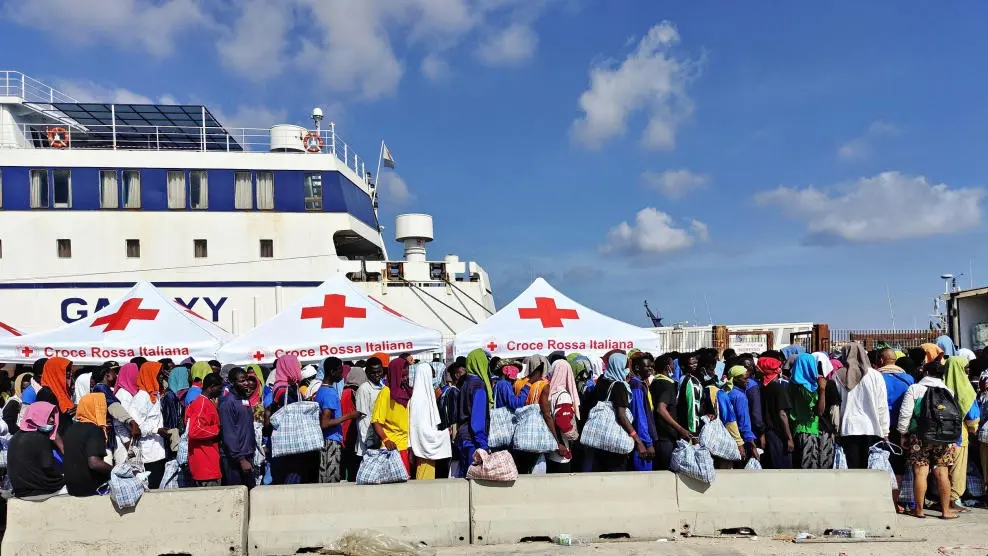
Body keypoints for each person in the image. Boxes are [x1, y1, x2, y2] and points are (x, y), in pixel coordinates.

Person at [897, 360, 958, 519]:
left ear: (925, 372)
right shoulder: (948, 391)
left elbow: (905, 414)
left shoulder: (915, 389)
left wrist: (903, 434)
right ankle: (946, 511)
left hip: (919, 436)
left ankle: (919, 510)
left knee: (920, 473)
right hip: (943, 437)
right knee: (942, 472)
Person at [835, 344, 890, 469]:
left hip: (848, 428)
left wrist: (836, 429)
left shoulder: (838, 376)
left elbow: (836, 406)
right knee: (869, 467)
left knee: (852, 468)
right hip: (871, 427)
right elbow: (882, 405)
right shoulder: (875, 376)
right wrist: (885, 430)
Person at [876, 348, 914, 509]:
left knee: (880, 462)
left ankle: (882, 501)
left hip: (880, 427)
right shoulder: (909, 379)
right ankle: (894, 502)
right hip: (901, 428)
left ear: (881, 361)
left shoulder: (876, 377)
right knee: (898, 465)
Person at [595, 353, 645, 472]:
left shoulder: (601, 381)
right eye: (625, 367)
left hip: (600, 438)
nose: (628, 370)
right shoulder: (619, 386)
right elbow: (621, 415)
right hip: (615, 440)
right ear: (619, 367)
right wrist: (638, 440)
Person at [944, 355, 979, 514]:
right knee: (957, 469)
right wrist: (973, 429)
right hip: (959, 435)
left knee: (942, 467)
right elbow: (973, 416)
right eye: (966, 368)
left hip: (940, 435)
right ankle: (953, 500)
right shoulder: (965, 388)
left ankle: (942, 498)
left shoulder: (941, 385)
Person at [8, 402, 65, 499]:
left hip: (19, 490)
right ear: (36, 416)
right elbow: (47, 467)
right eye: (47, 416)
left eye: (52, 416)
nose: (52, 420)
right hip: (39, 490)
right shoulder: (41, 438)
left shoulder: (16, 436)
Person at [313, 358, 358, 483]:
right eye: (340, 371)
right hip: (331, 441)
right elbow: (325, 423)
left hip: (324, 440)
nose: (342, 375)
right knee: (331, 478)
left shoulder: (321, 391)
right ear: (333, 372)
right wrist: (349, 416)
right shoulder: (330, 394)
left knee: (324, 476)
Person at [63, 393, 112, 496]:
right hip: (89, 488)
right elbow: (94, 463)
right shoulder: (94, 430)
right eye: (102, 407)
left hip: (72, 487)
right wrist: (116, 471)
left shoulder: (71, 428)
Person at [409, 361, 452, 479]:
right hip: (424, 454)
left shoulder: (422, 398)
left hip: (426, 455)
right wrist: (444, 434)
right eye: (431, 376)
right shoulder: (420, 400)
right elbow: (422, 432)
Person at [372, 358, 415, 475]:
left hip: (405, 445)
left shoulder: (406, 391)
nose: (405, 379)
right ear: (395, 374)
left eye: (406, 375)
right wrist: (386, 440)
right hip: (393, 448)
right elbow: (376, 421)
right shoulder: (385, 392)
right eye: (402, 376)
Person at [130, 362, 169, 488]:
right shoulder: (141, 397)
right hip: (148, 452)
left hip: (158, 449)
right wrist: (156, 430)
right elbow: (137, 426)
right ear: (150, 375)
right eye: (159, 374)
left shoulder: (154, 394)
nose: (162, 377)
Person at [651, 354, 691, 470]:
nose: (674, 368)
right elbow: (661, 409)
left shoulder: (654, 382)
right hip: (666, 437)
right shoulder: (668, 385)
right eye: (673, 365)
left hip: (658, 434)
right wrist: (680, 429)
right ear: (668, 367)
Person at [454, 350, 491, 475]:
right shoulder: (478, 385)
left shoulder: (465, 383)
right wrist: (484, 446)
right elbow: (477, 420)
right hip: (473, 441)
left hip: (463, 436)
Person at [788, 353, 827, 469]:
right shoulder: (809, 388)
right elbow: (819, 412)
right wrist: (822, 390)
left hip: (796, 428)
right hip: (810, 432)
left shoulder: (792, 384)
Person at [222, 367, 259, 487]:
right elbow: (228, 432)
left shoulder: (244, 398)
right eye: (241, 381)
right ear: (232, 382)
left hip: (247, 453)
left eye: (246, 380)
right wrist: (241, 459)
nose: (246, 383)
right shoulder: (228, 402)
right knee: (237, 494)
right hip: (235, 458)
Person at [542, 358, 581, 473]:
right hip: (562, 450)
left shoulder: (550, 392)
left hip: (552, 446)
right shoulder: (564, 396)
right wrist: (574, 436)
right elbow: (562, 422)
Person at [187, 374, 224, 487]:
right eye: (219, 388)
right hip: (206, 464)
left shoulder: (205, 402)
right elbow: (195, 430)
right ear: (212, 387)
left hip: (209, 459)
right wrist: (218, 430)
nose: (221, 391)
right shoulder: (201, 403)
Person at [758, 355, 793, 469]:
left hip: (768, 433)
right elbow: (782, 414)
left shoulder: (761, 387)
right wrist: (789, 438)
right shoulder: (778, 388)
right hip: (779, 434)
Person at [628, 354, 657, 471]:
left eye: (651, 366)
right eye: (647, 366)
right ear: (637, 368)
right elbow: (639, 416)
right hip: (641, 444)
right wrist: (647, 443)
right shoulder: (636, 385)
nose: (650, 368)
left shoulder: (642, 384)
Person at [355, 358, 385, 465]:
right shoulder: (363, 389)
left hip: (382, 438)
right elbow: (362, 418)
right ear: (367, 373)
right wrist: (369, 442)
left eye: (379, 371)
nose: (377, 375)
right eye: (373, 373)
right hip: (370, 440)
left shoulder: (383, 387)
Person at [340, 365, 367, 482]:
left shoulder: (342, 392)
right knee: (353, 468)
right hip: (352, 433)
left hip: (342, 432)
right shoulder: (355, 393)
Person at [39, 357, 76, 435]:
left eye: (69, 370)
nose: (69, 373)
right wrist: (62, 446)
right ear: (55, 371)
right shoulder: (45, 393)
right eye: (66, 370)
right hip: (54, 443)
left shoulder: (62, 391)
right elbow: (47, 424)